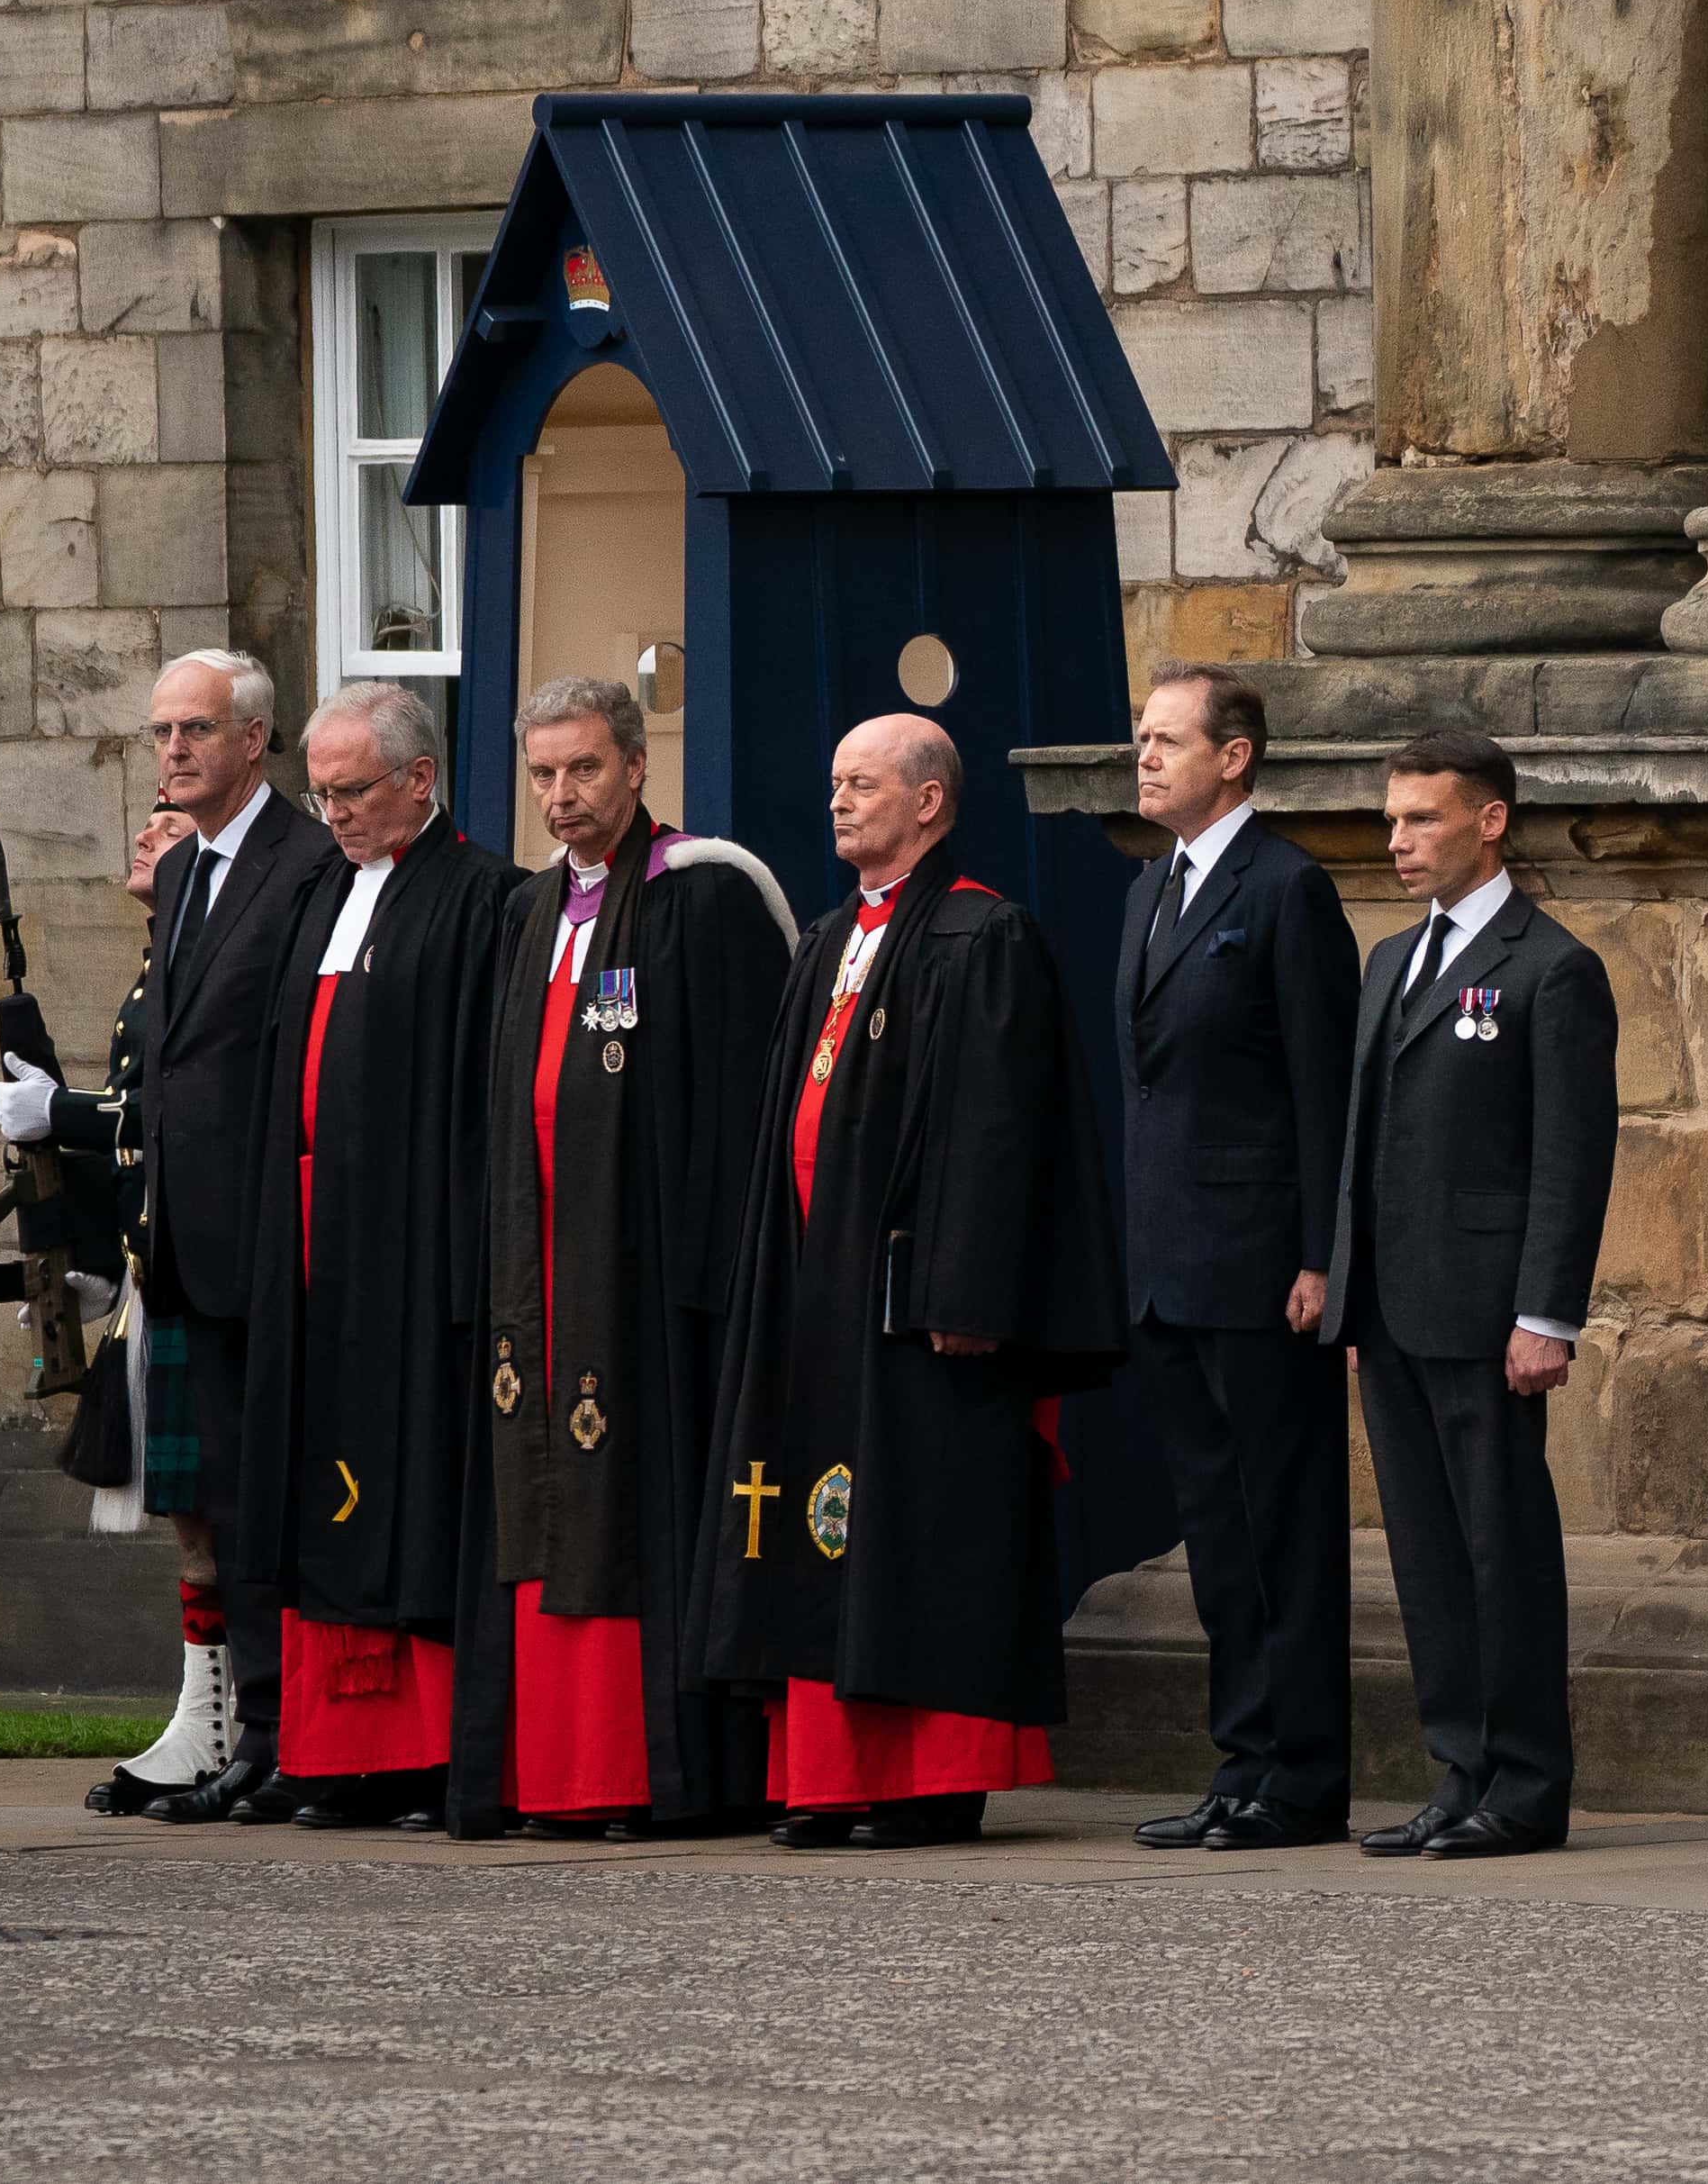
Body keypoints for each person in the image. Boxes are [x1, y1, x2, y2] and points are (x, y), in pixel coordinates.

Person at [695, 714, 1125, 1851]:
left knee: (917, 1533)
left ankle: (928, 1779)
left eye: (863, 784)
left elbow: (997, 1139)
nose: (836, 801)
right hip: (814, 1287)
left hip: (920, 1308)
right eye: (832, 781)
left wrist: (965, 1296)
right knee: (824, 1532)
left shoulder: (986, 936)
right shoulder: (830, 934)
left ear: (928, 802)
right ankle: (832, 1779)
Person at [456, 676, 800, 1839]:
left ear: (638, 766)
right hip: (535, 1274)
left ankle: (644, 1773)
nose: (561, 794)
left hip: (649, 1287)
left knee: (632, 1499)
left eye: (585, 768)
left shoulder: (701, 897)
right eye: (544, 773)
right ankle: (541, 1771)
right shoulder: (527, 911)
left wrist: (708, 1279)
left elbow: (745, 1103)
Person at [5, 650, 324, 1822]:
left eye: (195, 728)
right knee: (212, 1505)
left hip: (264, 1233)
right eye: (159, 731)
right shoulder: (184, 873)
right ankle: (245, 1735)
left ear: (255, 737)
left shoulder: (306, 863)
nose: (173, 749)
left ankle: (282, 1732)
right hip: (178, 1237)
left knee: (257, 1496)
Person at [221, 680, 528, 1833]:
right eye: (322, 790)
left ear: (420, 780)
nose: (334, 810)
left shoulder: (485, 898)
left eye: (353, 790)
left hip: (409, 1259)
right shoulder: (319, 895)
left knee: (409, 1501)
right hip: (308, 1253)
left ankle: (423, 1756)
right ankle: (329, 1752)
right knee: (317, 1496)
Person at [1322, 728, 1620, 1862]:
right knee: (1426, 1552)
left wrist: (1546, 1313)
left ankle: (1526, 1783)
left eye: (1422, 818)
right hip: (1394, 1308)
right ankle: (1458, 1769)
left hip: (1489, 1309)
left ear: (1490, 820)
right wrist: (1349, 1287)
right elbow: (1365, 1140)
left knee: (1502, 1547)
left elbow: (1568, 1155)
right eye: (1392, 819)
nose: (1398, 840)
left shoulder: (1551, 966)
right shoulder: (1392, 960)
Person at [1115, 665, 1362, 1857]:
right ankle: (1242, 1759)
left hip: (1265, 1265)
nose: (1147, 755)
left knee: (1283, 1529)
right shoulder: (1150, 891)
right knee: (1219, 1532)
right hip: (1171, 1264)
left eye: (1169, 739)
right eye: (1141, 737)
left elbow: (1324, 1088)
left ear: (1237, 756)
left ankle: (1303, 1771)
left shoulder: (1287, 888)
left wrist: (1322, 1252)